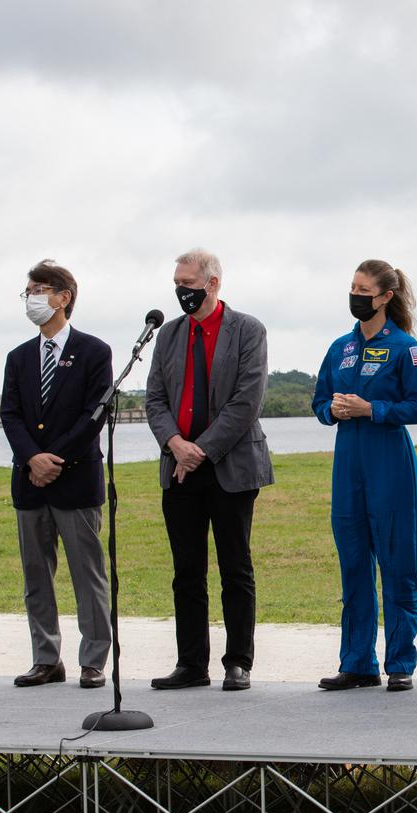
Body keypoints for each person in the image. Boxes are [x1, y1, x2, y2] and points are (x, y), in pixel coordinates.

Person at [145, 248, 274, 691]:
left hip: (230, 467)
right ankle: (191, 664)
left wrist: (200, 449)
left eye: (188, 283)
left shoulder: (247, 331)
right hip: (179, 468)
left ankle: (239, 661)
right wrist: (175, 444)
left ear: (213, 284)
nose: (181, 290)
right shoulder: (168, 335)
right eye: (176, 283)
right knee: (187, 571)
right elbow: (156, 399)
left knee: (235, 567)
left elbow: (246, 402)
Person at [312, 260, 417, 692]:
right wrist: (330, 410)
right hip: (348, 464)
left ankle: (400, 662)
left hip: (390, 461)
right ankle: (357, 663)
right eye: (352, 287)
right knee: (353, 565)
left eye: (364, 289)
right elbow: (318, 402)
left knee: (398, 563)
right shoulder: (339, 348)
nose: (356, 295)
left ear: (385, 296)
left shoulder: (406, 347)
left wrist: (374, 409)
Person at [0, 260, 114, 689]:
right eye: (27, 290)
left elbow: (92, 416)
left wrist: (54, 459)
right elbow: (9, 415)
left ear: (64, 297)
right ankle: (46, 658)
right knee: (36, 576)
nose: (32, 297)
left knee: (88, 575)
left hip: (76, 479)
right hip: (30, 483)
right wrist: (33, 458)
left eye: (41, 288)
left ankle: (94, 660)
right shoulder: (18, 357)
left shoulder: (94, 351)